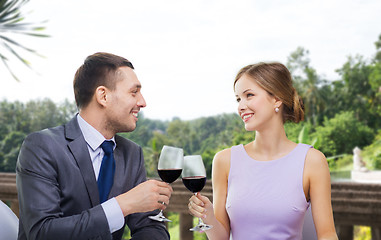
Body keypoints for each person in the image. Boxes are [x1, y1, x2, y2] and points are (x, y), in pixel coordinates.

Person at [16, 52, 172, 240]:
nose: (142, 102)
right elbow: (42, 232)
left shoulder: (132, 153)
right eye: (134, 92)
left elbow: (151, 227)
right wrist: (123, 205)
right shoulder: (41, 147)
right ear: (103, 96)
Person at [188, 62, 338, 239]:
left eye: (249, 95)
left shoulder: (312, 161)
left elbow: (327, 234)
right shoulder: (224, 160)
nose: (240, 106)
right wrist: (208, 214)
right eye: (238, 99)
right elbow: (221, 237)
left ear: (277, 99)